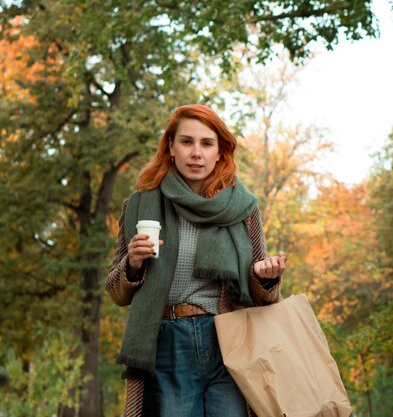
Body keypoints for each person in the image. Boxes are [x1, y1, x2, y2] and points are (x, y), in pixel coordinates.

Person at [106, 104, 285, 417]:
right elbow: (115, 292)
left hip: (229, 342)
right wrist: (132, 264)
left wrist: (265, 277)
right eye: (187, 142)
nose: (196, 153)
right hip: (168, 342)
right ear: (171, 147)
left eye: (206, 143)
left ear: (220, 152)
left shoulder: (243, 208)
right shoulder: (141, 204)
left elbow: (265, 298)